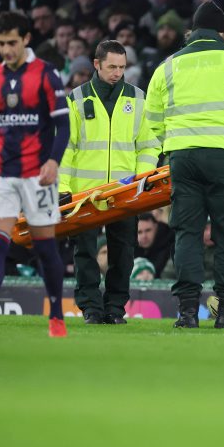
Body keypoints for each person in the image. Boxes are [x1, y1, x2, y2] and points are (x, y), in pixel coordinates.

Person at [144, 1, 224, 329]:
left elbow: (153, 117)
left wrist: (174, 142)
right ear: (223, 33)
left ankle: (187, 313)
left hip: (183, 157)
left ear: (191, 33)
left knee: (187, 233)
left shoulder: (168, 65)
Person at [0, 12, 70, 337]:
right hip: (2, 174)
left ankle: (57, 317)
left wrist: (53, 162)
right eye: (1, 43)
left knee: (45, 247)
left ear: (26, 39)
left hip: (37, 174)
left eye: (12, 43)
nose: (6, 49)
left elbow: (63, 126)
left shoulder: (47, 74)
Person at [58, 40, 160, 325]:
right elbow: (65, 147)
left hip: (124, 191)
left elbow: (149, 144)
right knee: (85, 253)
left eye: (122, 67)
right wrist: (63, 187)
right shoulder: (77, 99)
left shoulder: (138, 98)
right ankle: (91, 308)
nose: (117, 73)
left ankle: (115, 308)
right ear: (97, 64)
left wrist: (142, 178)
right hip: (84, 193)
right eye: (112, 67)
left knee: (123, 253)